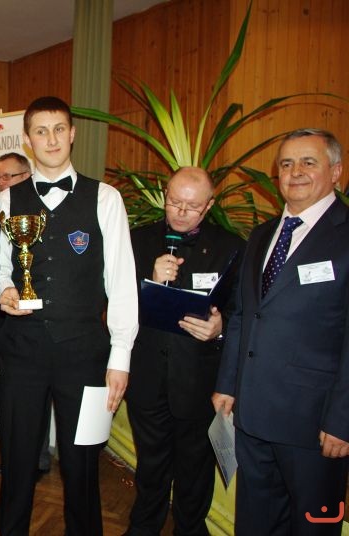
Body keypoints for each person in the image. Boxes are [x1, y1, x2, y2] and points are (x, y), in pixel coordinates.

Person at [0, 96, 138, 535]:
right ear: (28, 139)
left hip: (84, 354)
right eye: (41, 131)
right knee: (17, 460)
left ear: (72, 133)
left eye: (59, 129)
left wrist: (120, 357)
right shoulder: (6, 199)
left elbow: (122, 282)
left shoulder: (106, 198)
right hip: (22, 349)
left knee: (83, 465)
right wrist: (3, 291)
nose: (51, 139)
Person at [212, 128, 349, 535]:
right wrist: (228, 383)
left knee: (312, 527)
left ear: (336, 172)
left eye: (309, 162)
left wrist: (343, 419)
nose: (296, 172)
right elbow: (243, 315)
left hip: (315, 425)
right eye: (286, 164)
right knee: (256, 523)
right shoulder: (261, 235)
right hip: (252, 415)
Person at [125, 167, 245, 535]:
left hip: (198, 379)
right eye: (174, 201)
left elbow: (242, 312)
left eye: (191, 206)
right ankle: (143, 528)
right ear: (164, 195)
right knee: (150, 466)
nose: (180, 212)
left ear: (209, 206)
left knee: (195, 469)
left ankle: (190, 530)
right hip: (147, 374)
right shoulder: (136, 240)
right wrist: (148, 280)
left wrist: (219, 327)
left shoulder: (231, 246)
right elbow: (113, 304)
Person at [0, 151, 51, 479]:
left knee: (38, 399)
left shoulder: (41, 216)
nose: (2, 182)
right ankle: (15, 459)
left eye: (8, 176)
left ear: (27, 176)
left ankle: (37, 460)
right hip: (5, 324)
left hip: (42, 326)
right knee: (12, 400)